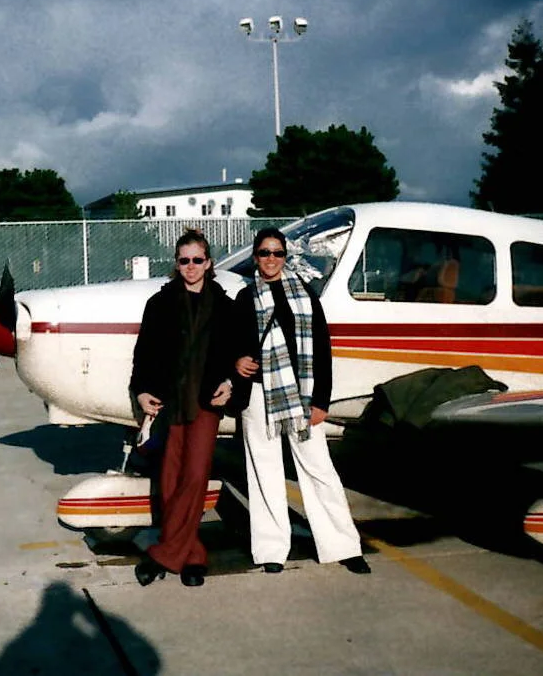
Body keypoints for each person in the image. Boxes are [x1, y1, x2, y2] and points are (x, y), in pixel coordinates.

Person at [231, 227, 371, 575]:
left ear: (285, 257)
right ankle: (271, 551)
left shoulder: (304, 293)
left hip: (302, 394)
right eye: (265, 253)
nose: (271, 260)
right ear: (255, 257)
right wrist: (236, 361)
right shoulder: (245, 299)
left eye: (278, 253)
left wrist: (321, 400)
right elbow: (229, 343)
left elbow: (322, 348)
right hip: (260, 395)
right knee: (264, 471)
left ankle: (342, 545)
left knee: (319, 469)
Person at [129, 229, 234, 588]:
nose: (191, 267)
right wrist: (141, 391)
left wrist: (230, 384)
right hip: (169, 400)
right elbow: (142, 353)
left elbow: (236, 354)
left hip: (205, 402)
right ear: (177, 264)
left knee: (195, 475)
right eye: (184, 260)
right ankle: (192, 555)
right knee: (170, 478)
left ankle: (164, 554)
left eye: (198, 260)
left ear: (209, 263)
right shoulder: (159, 304)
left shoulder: (224, 304)